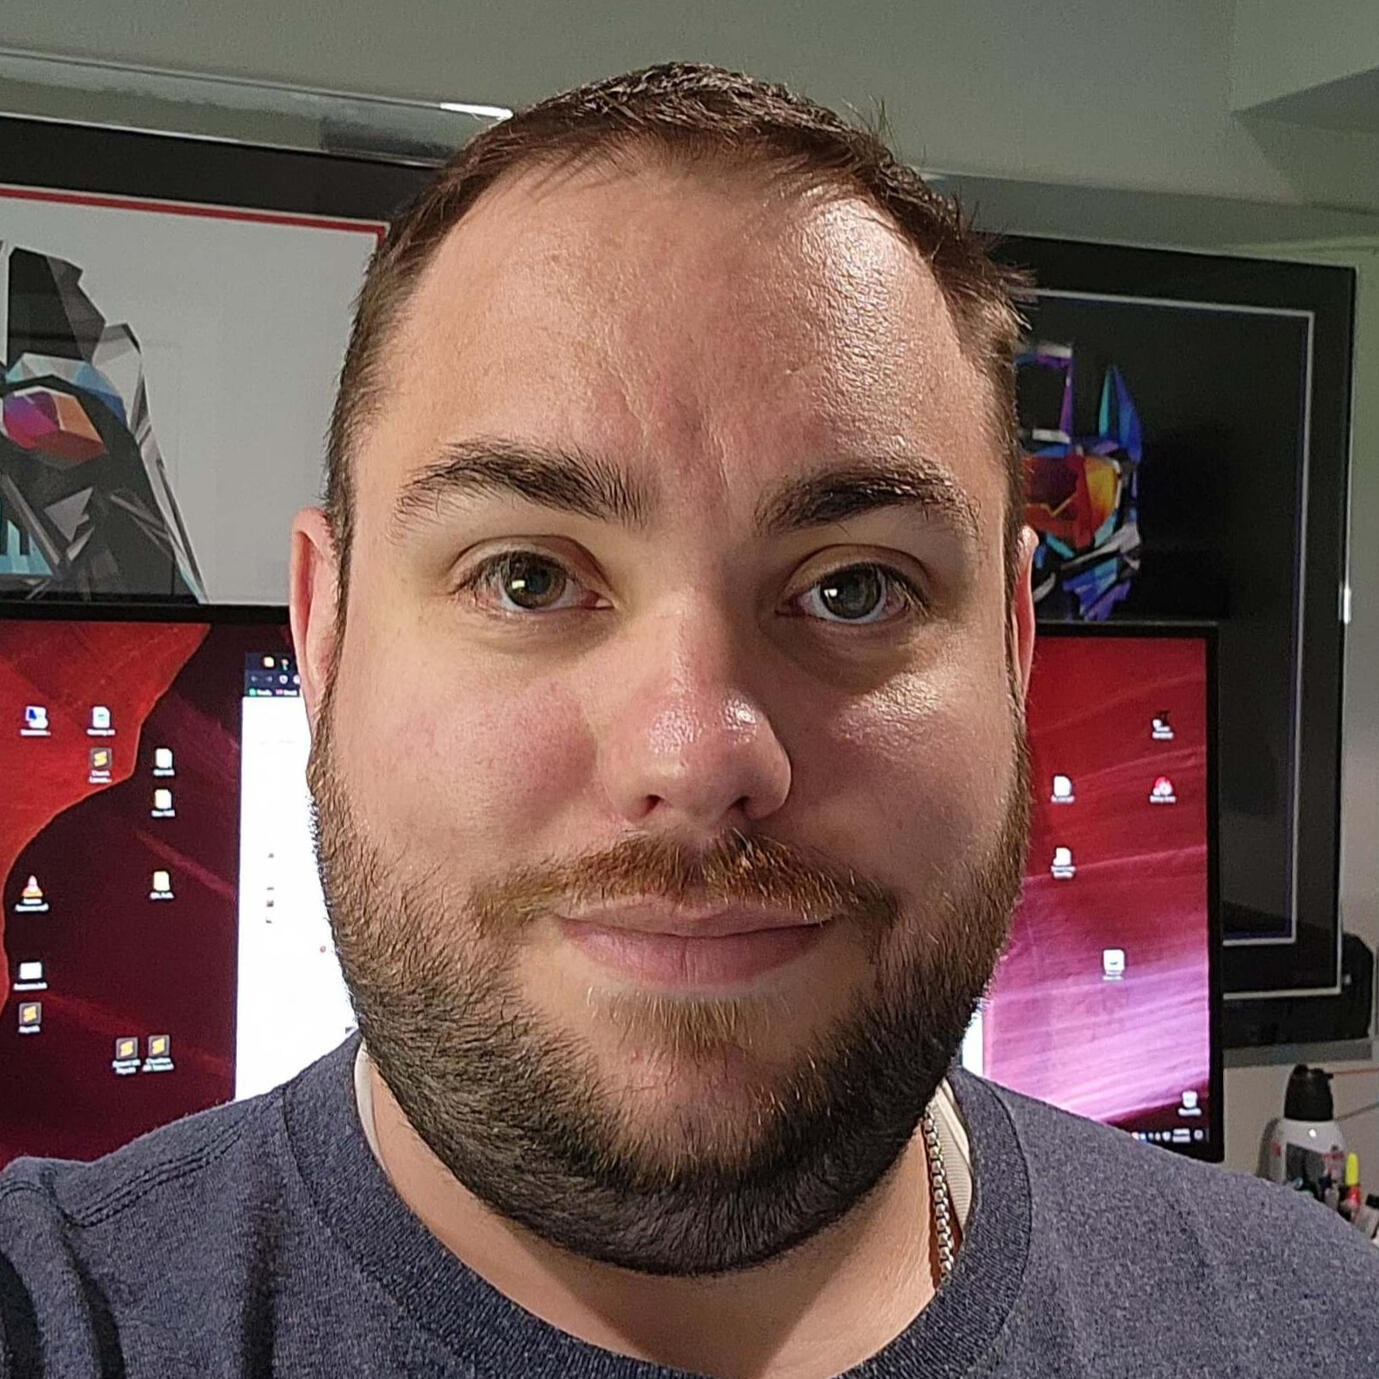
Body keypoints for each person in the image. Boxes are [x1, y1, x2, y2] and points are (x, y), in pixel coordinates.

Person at [1, 61, 1375, 1379]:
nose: (698, 755)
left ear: (1016, 648)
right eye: (528, 578)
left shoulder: (1316, 1328)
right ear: (325, 633)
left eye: (854, 587)